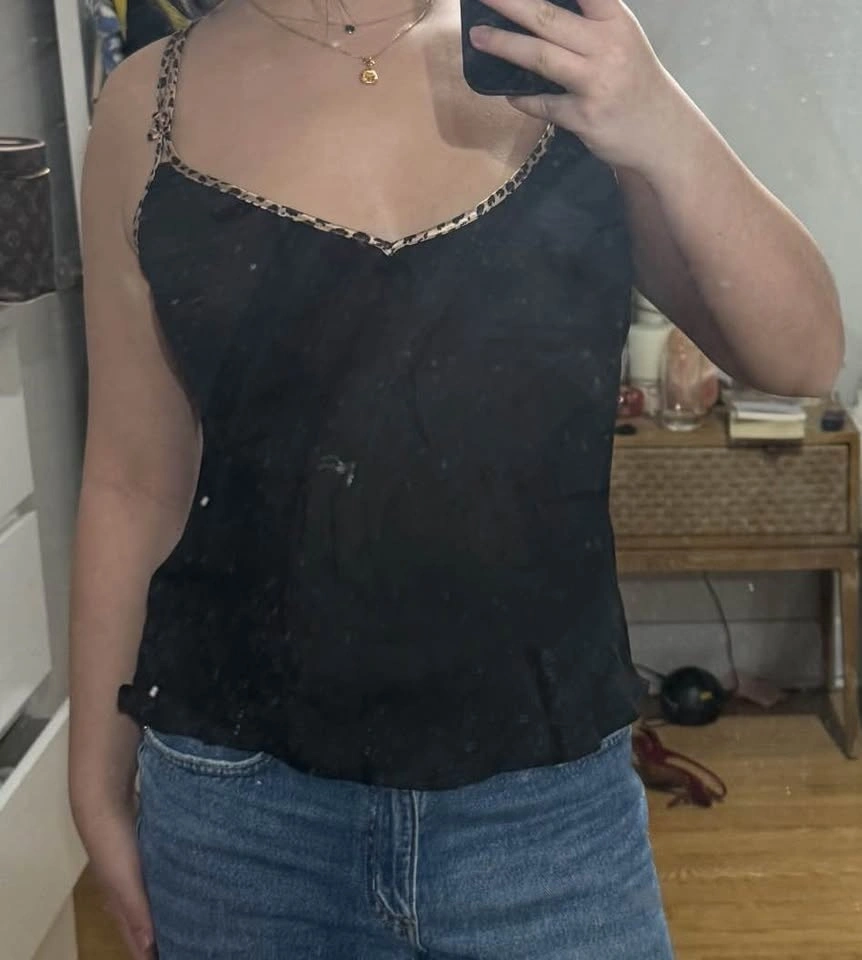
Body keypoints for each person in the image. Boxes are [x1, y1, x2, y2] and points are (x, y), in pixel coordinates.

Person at [68, 0, 844, 958]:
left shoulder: (564, 57)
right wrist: (94, 781)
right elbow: (135, 481)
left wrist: (658, 115)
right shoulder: (147, 103)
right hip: (240, 819)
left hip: (549, 818)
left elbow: (803, 355)